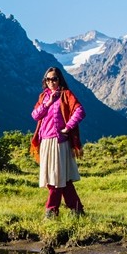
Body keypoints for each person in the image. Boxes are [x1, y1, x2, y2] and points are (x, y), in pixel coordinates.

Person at [30, 67, 85, 217]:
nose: (51, 82)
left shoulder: (66, 95)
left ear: (59, 79)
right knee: (63, 179)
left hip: (59, 142)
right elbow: (35, 115)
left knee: (56, 179)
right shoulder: (43, 97)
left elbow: (80, 111)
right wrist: (48, 103)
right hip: (45, 142)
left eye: (54, 79)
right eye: (48, 79)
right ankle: (77, 211)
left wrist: (68, 128)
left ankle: (51, 210)